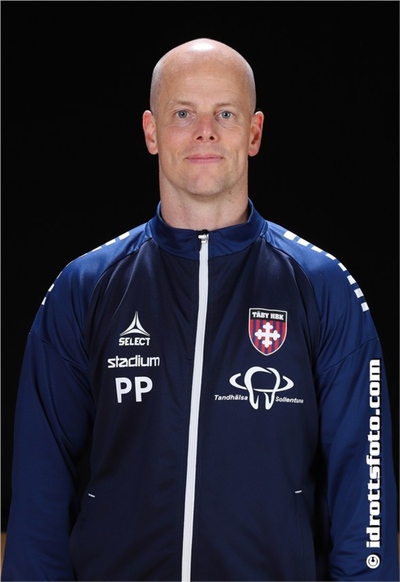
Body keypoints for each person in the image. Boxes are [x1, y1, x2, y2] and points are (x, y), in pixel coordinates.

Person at [2, 38, 398, 582]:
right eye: (183, 113)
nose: (205, 131)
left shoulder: (324, 286)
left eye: (225, 114)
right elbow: (38, 496)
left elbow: (364, 488)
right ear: (151, 131)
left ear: (254, 132)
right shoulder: (84, 286)